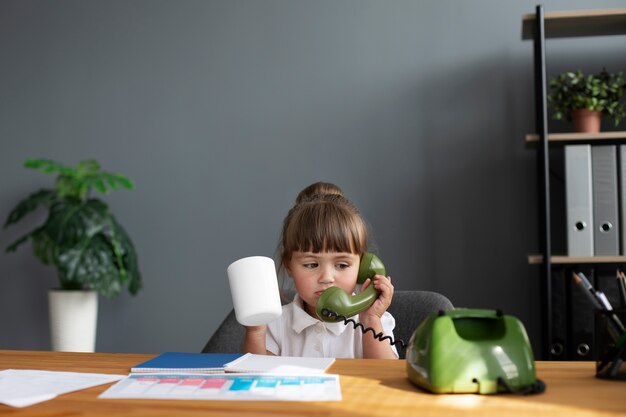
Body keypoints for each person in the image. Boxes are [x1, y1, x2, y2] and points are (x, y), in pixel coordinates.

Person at [242, 183, 398, 359]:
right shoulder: (276, 324)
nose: (327, 278)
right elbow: (255, 379)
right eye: (311, 265)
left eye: (341, 265)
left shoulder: (375, 321)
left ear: (362, 268)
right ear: (289, 266)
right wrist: (256, 332)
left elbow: (386, 378)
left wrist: (370, 321)